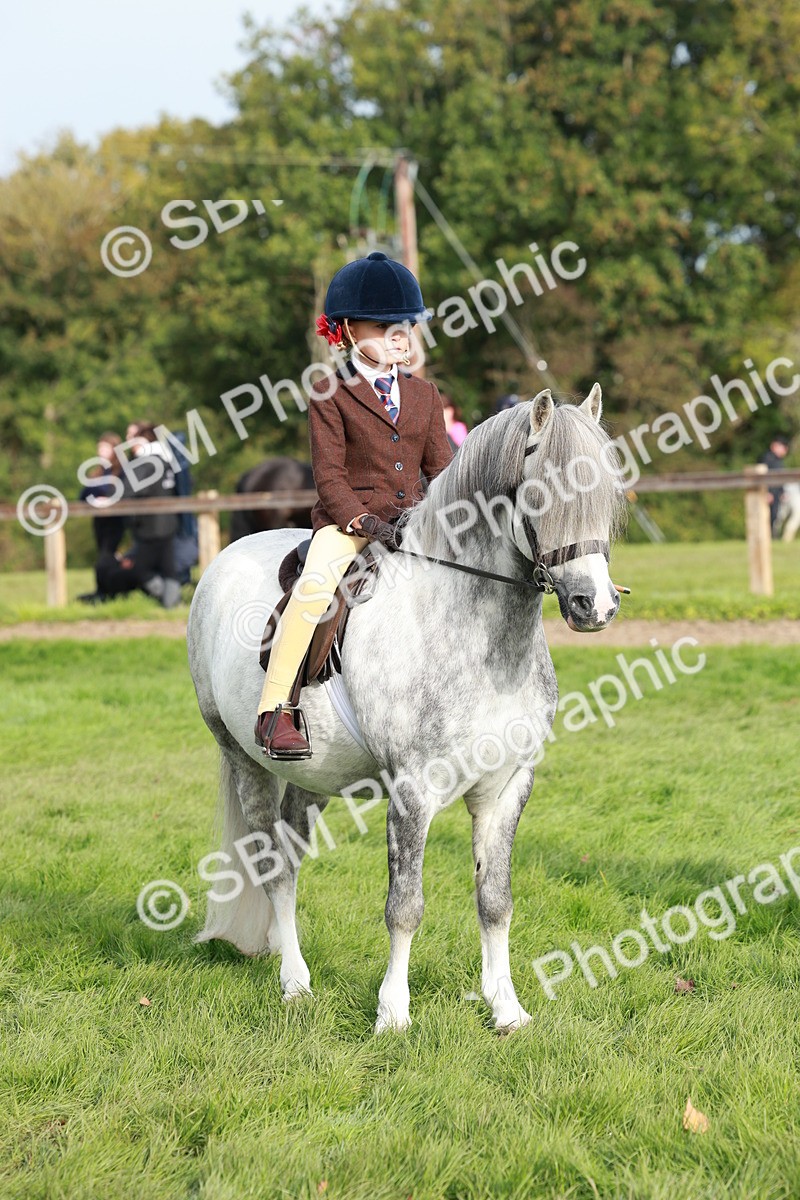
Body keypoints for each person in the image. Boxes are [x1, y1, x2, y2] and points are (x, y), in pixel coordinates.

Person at [254, 250, 454, 759]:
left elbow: (443, 470)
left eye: (405, 327)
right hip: (349, 523)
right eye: (383, 327)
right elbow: (330, 477)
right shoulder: (329, 392)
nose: (399, 337)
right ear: (345, 330)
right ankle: (275, 709)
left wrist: (459, 514)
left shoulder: (426, 395)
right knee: (314, 590)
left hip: (416, 520)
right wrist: (363, 521)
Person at [95, 423, 182, 608]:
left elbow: (128, 488)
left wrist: (109, 498)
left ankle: (168, 603)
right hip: (168, 523)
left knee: (140, 569)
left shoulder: (147, 462)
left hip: (151, 527)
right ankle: (172, 605)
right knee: (168, 568)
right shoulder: (165, 460)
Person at [78, 431, 126, 605]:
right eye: (100, 447)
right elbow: (84, 494)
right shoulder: (99, 472)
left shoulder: (121, 471)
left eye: (105, 448)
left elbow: (120, 493)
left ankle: (104, 592)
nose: (101, 451)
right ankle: (107, 592)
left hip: (115, 521)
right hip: (100, 521)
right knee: (105, 556)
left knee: (106, 557)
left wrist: (103, 495)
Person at [759, 434, 792, 536]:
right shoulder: (767, 458)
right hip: (769, 494)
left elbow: (779, 478)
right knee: (766, 518)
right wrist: (767, 492)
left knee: (774, 518)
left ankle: (771, 538)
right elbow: (762, 476)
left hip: (776, 493)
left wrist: (782, 492)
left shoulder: (778, 460)